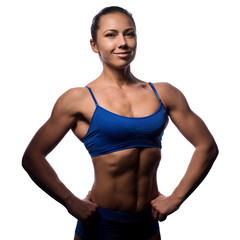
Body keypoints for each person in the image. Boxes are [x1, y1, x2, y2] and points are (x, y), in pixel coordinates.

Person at [22, 6, 218, 240]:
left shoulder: (164, 93)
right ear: (94, 45)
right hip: (101, 224)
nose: (123, 42)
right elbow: (32, 157)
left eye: (129, 33)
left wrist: (176, 198)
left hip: (147, 223)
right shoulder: (78, 99)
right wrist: (71, 202)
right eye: (111, 34)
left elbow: (207, 146)